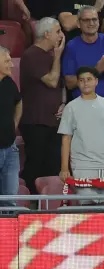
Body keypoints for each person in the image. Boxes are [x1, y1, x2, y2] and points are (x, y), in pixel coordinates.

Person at [58, 66, 104, 205]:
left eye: (89, 79)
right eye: (81, 80)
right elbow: (66, 139)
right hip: (82, 165)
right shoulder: (71, 107)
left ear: (96, 81)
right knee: (87, 208)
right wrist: (64, 168)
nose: (85, 83)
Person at [20, 17, 65, 195]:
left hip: (53, 121)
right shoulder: (31, 54)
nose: (61, 35)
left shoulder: (51, 56)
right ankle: (29, 204)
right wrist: (58, 55)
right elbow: (52, 81)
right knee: (35, 165)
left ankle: (48, 206)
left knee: (52, 166)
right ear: (46, 34)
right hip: (35, 121)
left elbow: (60, 85)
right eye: (58, 31)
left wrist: (62, 102)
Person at [62, 6, 104, 114]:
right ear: (78, 23)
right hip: (83, 110)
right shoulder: (72, 46)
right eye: (86, 20)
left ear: (99, 22)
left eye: (94, 19)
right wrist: (96, 70)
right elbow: (70, 83)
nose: (91, 23)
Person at [0, 46, 22, 207]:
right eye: (7, 61)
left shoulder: (9, 82)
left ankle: (7, 232)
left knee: (10, 203)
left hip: (10, 149)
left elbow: (19, 101)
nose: (12, 64)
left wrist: (14, 123)